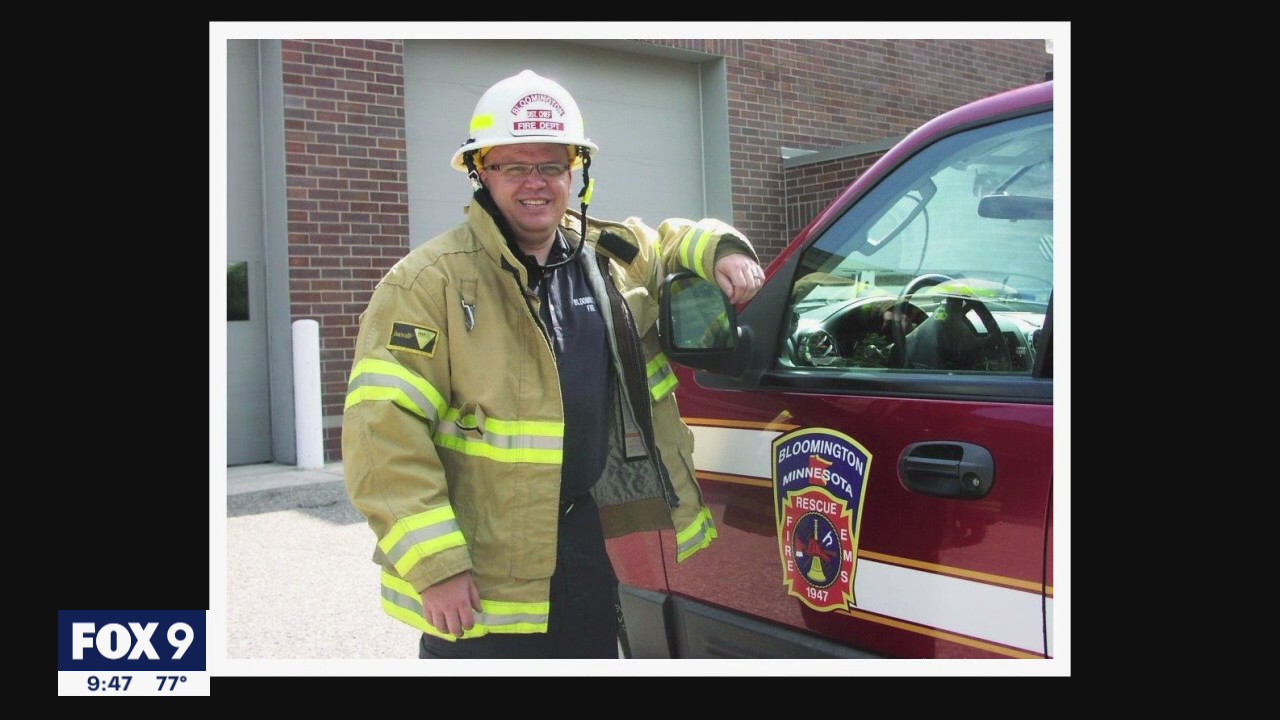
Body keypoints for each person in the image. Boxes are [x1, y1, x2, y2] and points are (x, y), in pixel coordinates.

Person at [341, 69, 765, 659]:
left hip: (582, 547)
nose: (534, 184)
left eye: (551, 166)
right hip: (480, 572)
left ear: (576, 175)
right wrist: (436, 566)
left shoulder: (603, 257)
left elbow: (670, 241)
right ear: (481, 174)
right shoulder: (425, 284)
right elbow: (380, 438)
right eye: (514, 166)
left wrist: (722, 250)